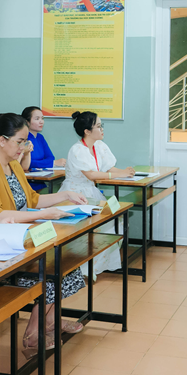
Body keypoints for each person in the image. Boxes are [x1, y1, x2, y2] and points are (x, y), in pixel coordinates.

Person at [0, 113, 89, 352]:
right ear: (2, 140)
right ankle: (34, 333)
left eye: (25, 141)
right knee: (51, 272)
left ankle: (49, 322)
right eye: (20, 141)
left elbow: (33, 199)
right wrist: (44, 214)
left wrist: (66, 195)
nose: (24, 147)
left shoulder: (13, 165)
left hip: (21, 237)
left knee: (65, 263)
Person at [60, 111, 133, 276]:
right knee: (92, 227)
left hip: (90, 191)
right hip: (75, 194)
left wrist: (125, 172)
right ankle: (82, 269)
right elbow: (91, 175)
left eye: (101, 126)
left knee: (115, 220)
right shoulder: (77, 150)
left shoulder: (99, 146)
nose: (102, 129)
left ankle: (97, 266)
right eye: (99, 126)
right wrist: (119, 174)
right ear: (87, 131)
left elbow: (108, 168)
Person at [18, 106, 66, 191]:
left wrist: (50, 162)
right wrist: (52, 163)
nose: (41, 122)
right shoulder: (23, 139)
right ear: (27, 122)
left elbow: (50, 157)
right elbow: (28, 163)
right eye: (37, 119)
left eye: (42, 118)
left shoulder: (40, 137)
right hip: (28, 181)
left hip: (40, 179)